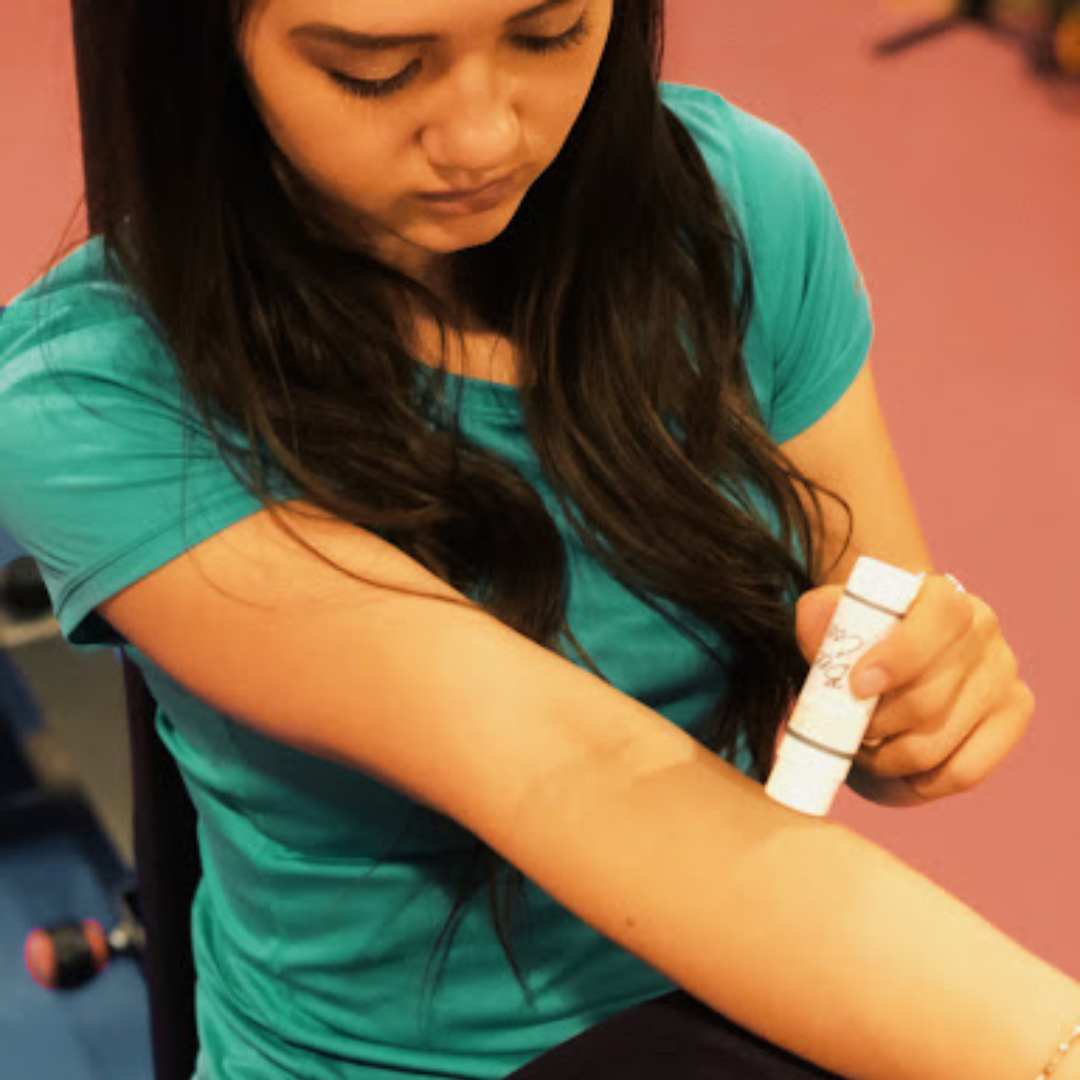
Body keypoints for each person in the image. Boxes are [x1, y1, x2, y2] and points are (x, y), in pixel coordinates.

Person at [0, 1, 1077, 1078]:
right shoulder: (94, 397)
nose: (485, 138)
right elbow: (576, 772)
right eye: (375, 73)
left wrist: (917, 701)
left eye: (551, 31)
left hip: (744, 1003)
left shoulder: (738, 204)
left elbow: (875, 620)